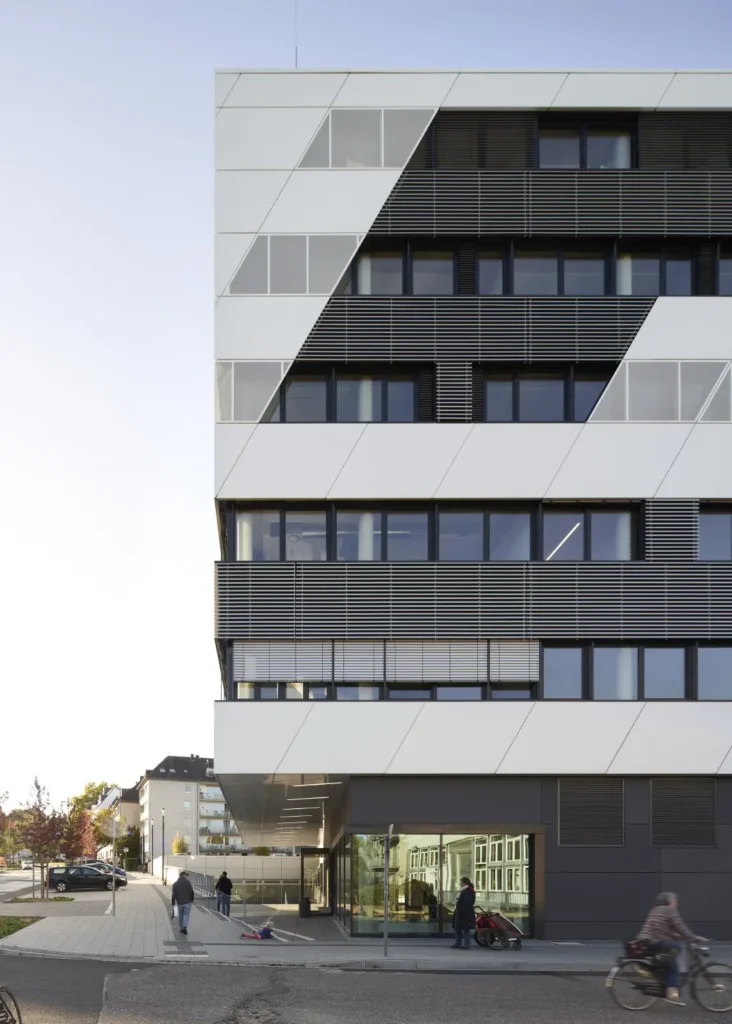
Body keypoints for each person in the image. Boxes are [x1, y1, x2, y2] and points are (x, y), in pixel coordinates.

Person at [636, 892, 708, 1005]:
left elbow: (662, 928)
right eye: (675, 900)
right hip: (657, 942)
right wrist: (693, 937)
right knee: (674, 959)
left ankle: (663, 977)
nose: (677, 902)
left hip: (646, 942)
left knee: (669, 956)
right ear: (669, 901)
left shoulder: (655, 910)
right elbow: (680, 926)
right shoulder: (669, 910)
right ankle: (671, 993)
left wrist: (676, 935)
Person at [451, 876, 476, 949]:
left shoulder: (467, 891)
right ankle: (458, 943)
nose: (460, 883)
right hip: (460, 912)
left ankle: (466, 945)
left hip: (464, 913)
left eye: (461, 882)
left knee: (465, 929)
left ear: (464, 883)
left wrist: (460, 907)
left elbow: (467, 903)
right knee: (457, 928)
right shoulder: (464, 891)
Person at [171, 870, 195, 936]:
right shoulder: (188, 883)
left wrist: (174, 902)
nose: (187, 876)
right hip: (187, 902)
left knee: (181, 916)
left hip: (180, 903)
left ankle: (182, 928)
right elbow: (191, 892)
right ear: (183, 875)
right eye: (186, 875)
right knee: (186, 915)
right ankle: (184, 927)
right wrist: (191, 899)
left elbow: (174, 894)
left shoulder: (175, 884)